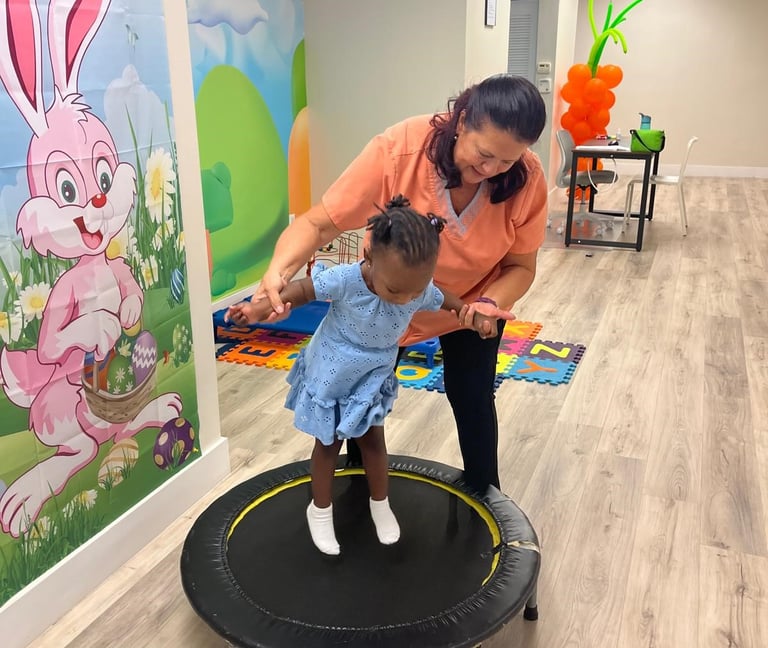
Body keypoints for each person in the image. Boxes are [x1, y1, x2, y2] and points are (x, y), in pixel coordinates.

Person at [254, 74, 548, 494]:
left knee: (473, 396)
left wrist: (488, 303)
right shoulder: (399, 150)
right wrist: (278, 271)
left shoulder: (527, 178)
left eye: (505, 162)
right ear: (463, 120)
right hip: (383, 298)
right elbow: (319, 224)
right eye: (483, 155)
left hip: (466, 303)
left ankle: (488, 498)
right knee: (358, 402)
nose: (489, 170)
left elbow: (521, 266)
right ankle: (360, 496)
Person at [227, 197, 513, 555]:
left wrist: (472, 314)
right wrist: (256, 309)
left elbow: (445, 300)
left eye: (414, 291)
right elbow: (302, 291)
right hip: (333, 369)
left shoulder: (414, 287)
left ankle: (380, 503)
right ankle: (320, 510)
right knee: (328, 444)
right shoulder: (346, 280)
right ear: (369, 257)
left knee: (374, 441)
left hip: (372, 374)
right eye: (395, 291)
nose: (405, 300)